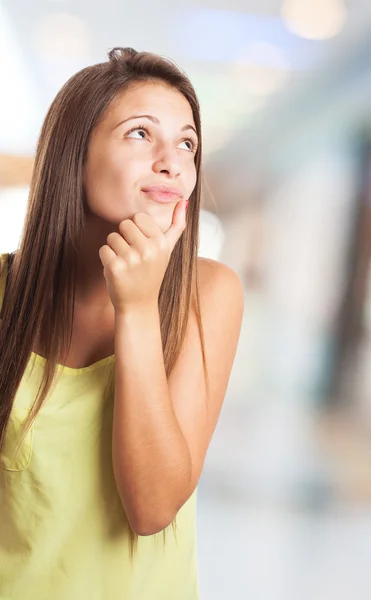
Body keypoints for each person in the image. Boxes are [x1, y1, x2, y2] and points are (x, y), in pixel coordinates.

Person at [0, 47, 244, 599]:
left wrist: (136, 309)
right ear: (73, 154)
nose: (172, 162)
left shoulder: (208, 293)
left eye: (187, 143)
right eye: (140, 134)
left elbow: (153, 507)